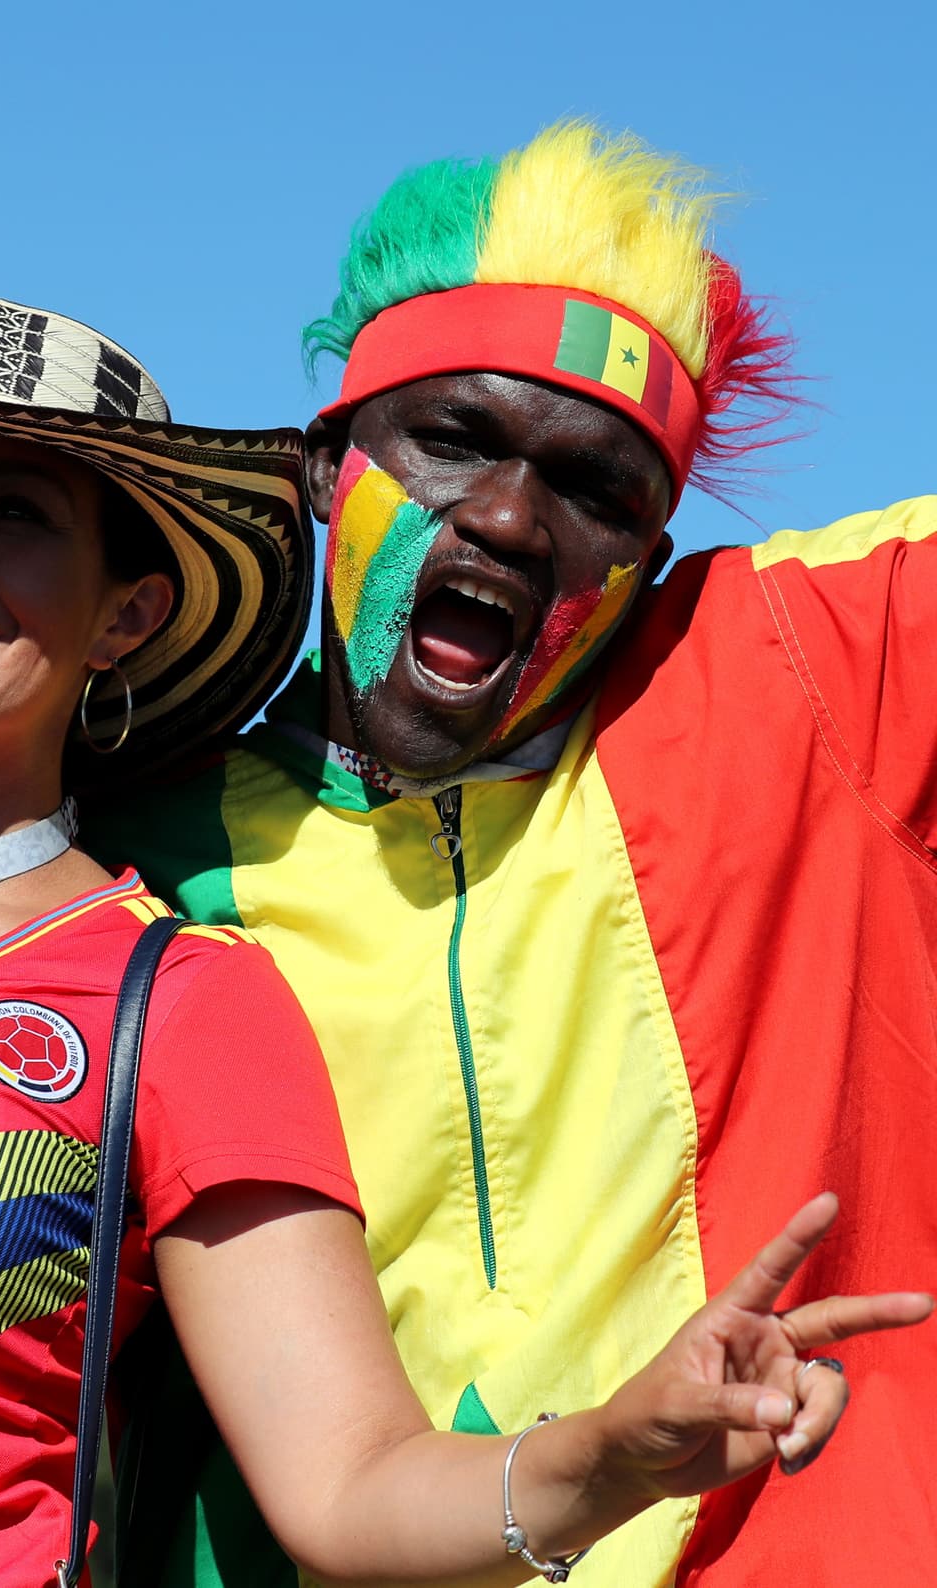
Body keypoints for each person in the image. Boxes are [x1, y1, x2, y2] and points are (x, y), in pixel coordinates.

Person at [0, 299, 927, 1588]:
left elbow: (344, 1479)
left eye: (15, 515)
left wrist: (611, 1454)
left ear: (129, 617)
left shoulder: (169, 988)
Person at [95, 123, 937, 1585]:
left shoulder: (796, 671)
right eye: (457, 441)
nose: (507, 518)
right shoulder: (124, 846)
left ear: (649, 560)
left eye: (597, 491)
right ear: (320, 467)